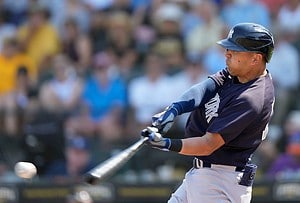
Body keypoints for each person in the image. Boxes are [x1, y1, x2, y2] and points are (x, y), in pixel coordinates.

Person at [141, 22, 275, 203]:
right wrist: (174, 109)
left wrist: (166, 144)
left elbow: (208, 144)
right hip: (205, 174)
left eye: (234, 51)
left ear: (255, 58)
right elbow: (207, 87)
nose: (227, 54)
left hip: (220, 182)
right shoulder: (240, 73)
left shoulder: (252, 98)